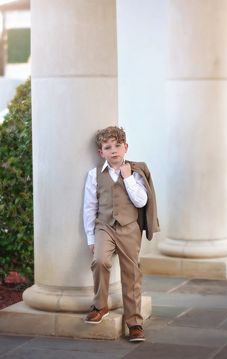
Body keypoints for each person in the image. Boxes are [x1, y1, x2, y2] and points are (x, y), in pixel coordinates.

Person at [83, 126, 160, 342]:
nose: (114, 150)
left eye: (118, 146)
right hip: (104, 226)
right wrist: (91, 238)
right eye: (108, 147)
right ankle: (100, 305)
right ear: (101, 152)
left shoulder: (135, 172)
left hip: (129, 228)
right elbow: (89, 207)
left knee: (131, 272)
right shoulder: (94, 175)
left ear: (125, 147)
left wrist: (127, 178)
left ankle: (134, 322)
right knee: (100, 261)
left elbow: (141, 201)